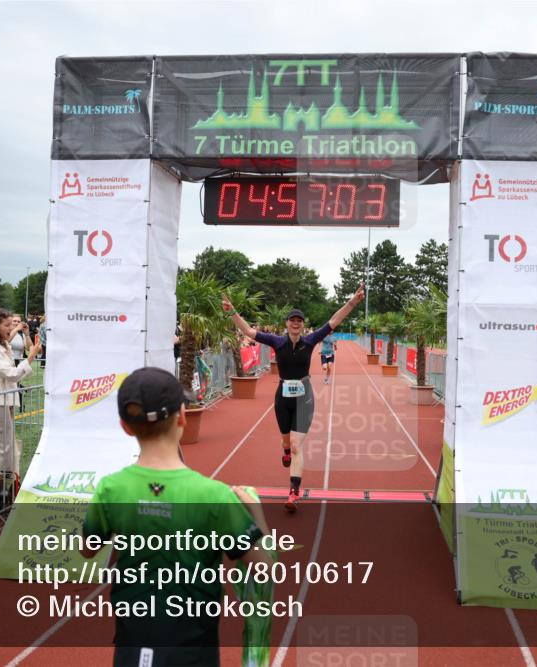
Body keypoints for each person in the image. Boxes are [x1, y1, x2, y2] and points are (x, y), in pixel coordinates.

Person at [80, 367, 273, 666]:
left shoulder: (110, 488)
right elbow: (262, 569)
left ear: (125, 426)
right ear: (183, 416)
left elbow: (88, 549)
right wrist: (256, 515)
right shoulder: (215, 496)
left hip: (133, 639)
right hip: (195, 646)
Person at [223, 283, 365, 512]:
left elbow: (334, 321)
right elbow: (249, 332)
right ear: (287, 324)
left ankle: (293, 492)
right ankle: (286, 451)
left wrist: (354, 301)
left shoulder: (310, 341)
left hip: (304, 396)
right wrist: (231, 311)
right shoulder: (277, 342)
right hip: (282, 397)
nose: (296, 323)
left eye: (299, 320)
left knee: (298, 445)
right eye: (292, 320)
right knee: (286, 441)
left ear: (302, 324)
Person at [0, 307, 40, 499]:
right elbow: (10, 374)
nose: (10, 328)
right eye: (6, 324)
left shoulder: (1, 344)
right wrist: (31, 356)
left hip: (2, 400)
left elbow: (9, 346)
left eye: (12, 324)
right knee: (1, 447)